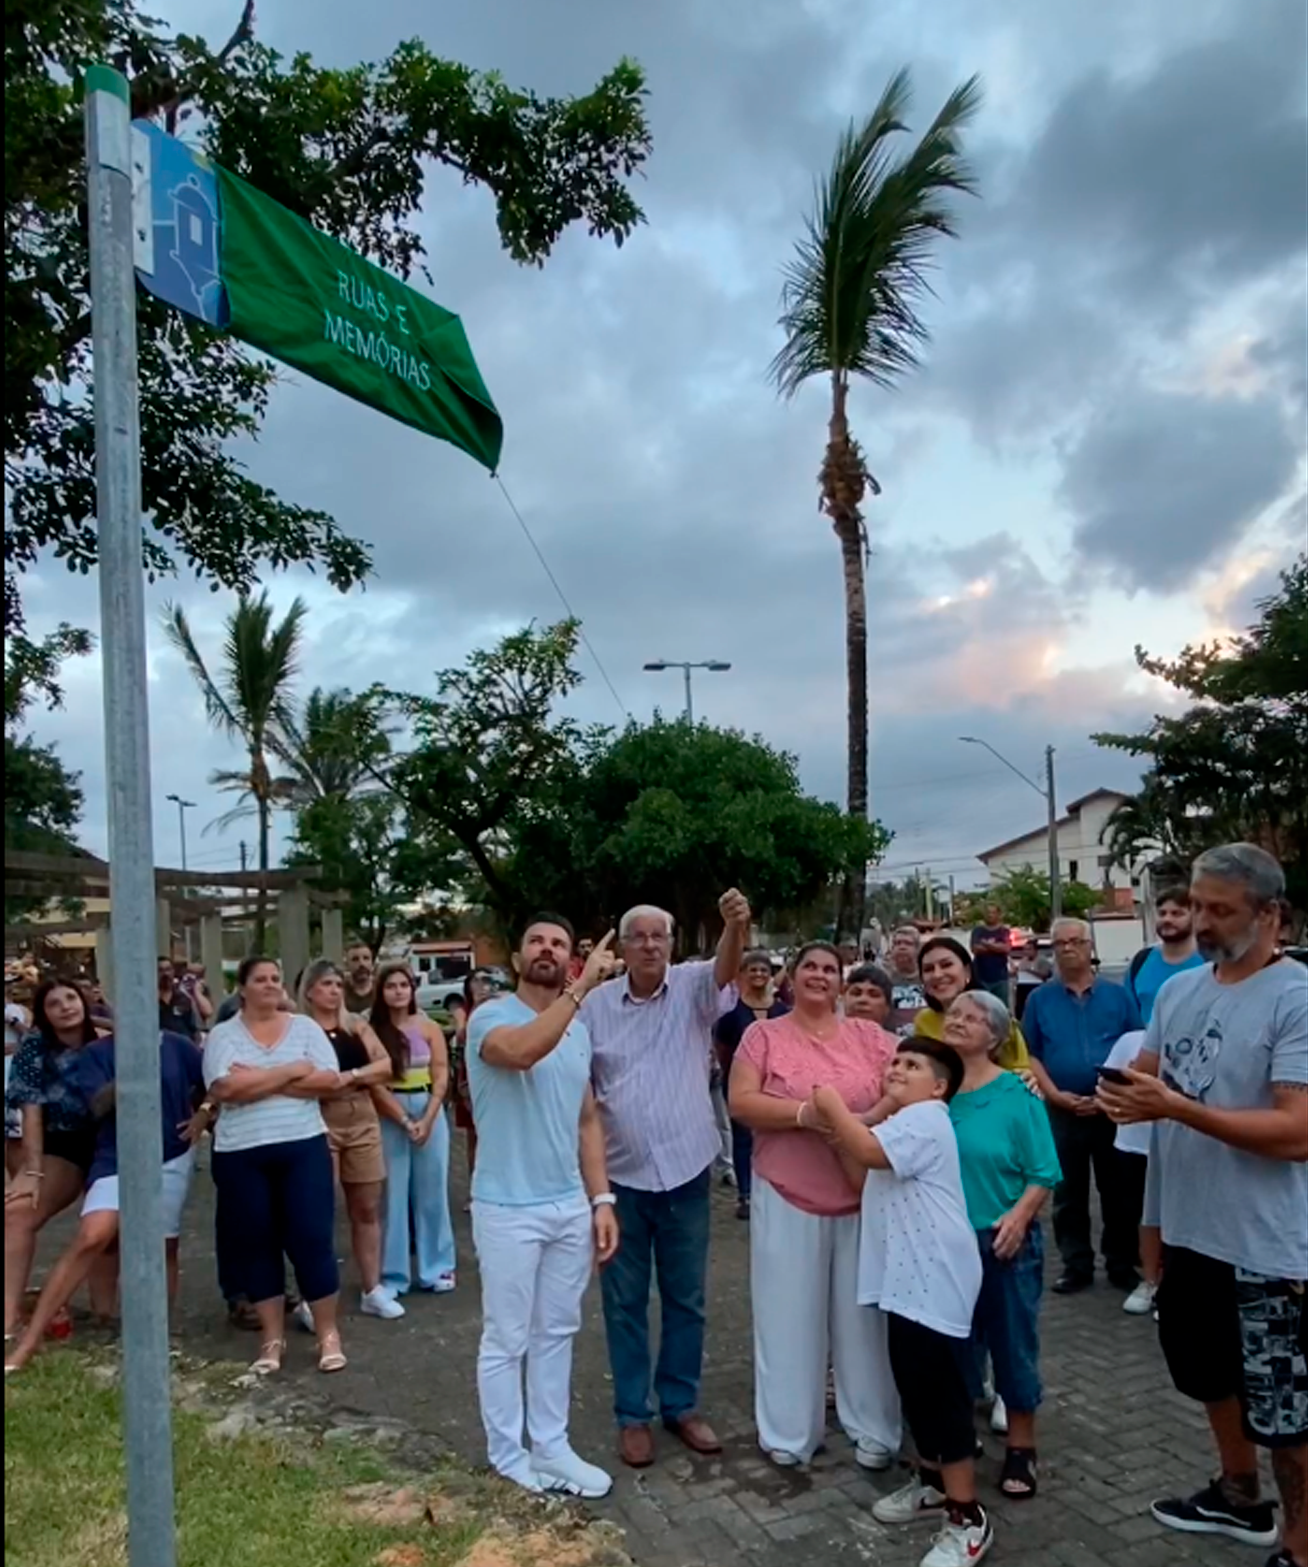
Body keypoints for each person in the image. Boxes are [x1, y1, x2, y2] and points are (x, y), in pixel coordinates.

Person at [1099, 843, 1308, 1567]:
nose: (1205, 922)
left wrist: (1175, 1107)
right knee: (1207, 1373)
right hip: (1190, 1229)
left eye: (1222, 909)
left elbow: (1296, 1134)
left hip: (1268, 1242)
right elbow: (1147, 1088)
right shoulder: (1179, 992)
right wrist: (1118, 1097)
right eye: (1198, 904)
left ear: (1271, 914)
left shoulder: (1296, 996)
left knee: (1285, 1408)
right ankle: (1239, 1493)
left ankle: (1301, 1543)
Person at [581, 889, 751, 1467]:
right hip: (621, 1180)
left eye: (660, 935)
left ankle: (680, 1404)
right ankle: (633, 1413)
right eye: (639, 936)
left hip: (685, 1171)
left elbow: (728, 966)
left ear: (672, 944)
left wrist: (734, 925)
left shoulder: (695, 988)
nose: (650, 944)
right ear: (622, 946)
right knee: (623, 1301)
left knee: (687, 1298)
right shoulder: (594, 1005)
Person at [813, 1039, 992, 1567]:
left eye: (912, 1066)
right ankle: (932, 1483)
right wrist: (842, 1132)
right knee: (915, 1392)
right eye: (894, 1061)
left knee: (943, 1399)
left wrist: (831, 1108)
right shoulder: (899, 1127)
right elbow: (861, 1173)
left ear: (938, 1087)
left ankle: (967, 1517)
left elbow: (865, 1151)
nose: (897, 1069)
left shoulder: (929, 1119)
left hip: (934, 1281)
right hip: (906, 1283)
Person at [729, 942, 899, 1471]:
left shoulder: (870, 1037)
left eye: (830, 969)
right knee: (787, 1315)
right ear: (790, 976)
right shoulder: (763, 1036)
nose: (820, 976)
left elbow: (914, 1082)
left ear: (841, 981)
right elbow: (741, 1102)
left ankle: (873, 1428)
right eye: (810, 967)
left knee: (864, 1321)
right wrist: (806, 1115)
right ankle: (788, 1432)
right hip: (787, 1192)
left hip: (861, 1194)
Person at [466, 916, 621, 1497]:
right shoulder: (491, 1016)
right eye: (537, 941)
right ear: (516, 958)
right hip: (507, 1207)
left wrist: (600, 1198)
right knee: (507, 1338)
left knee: (557, 1330)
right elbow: (522, 1053)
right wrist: (581, 990)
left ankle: (551, 1449)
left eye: (559, 943)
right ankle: (508, 1459)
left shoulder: (577, 1030)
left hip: (566, 1206)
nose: (548, 950)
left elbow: (586, 1119)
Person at [5, 1027, 207, 1373]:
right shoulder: (98, 1052)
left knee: (164, 1246)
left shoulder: (177, 1045)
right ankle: (29, 1339)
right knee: (92, 1236)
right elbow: (95, 1105)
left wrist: (205, 1112)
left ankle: (156, 1336)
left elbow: (207, 1083)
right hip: (117, 1156)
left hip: (171, 1154)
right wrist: (130, 1076)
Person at [940, 991, 1061, 1500]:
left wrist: (1019, 1214)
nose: (959, 1022)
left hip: (1003, 1239)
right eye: (954, 1014)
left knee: (1013, 1346)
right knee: (955, 1350)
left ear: (994, 1035)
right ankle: (957, 1441)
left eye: (972, 1017)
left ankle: (1021, 1446)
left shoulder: (1017, 1092)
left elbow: (1044, 1169)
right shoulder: (932, 1092)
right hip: (946, 1243)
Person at [204, 956, 347, 1375]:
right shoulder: (222, 1034)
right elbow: (225, 1088)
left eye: (275, 979)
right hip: (240, 1154)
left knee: (311, 1239)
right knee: (256, 1243)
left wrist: (258, 1079)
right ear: (242, 988)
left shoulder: (305, 1028)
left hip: (302, 1147)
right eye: (260, 979)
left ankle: (328, 1335)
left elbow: (329, 1080)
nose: (269, 985)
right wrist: (291, 1070)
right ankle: (271, 1339)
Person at [1022, 918, 1144, 1295]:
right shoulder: (1039, 1000)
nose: (1068, 948)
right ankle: (1076, 1265)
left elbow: (1137, 1046)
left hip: (1110, 1107)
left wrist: (1109, 1094)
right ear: (1053, 951)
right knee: (1068, 1194)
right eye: (1060, 944)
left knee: (1118, 1192)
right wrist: (1054, 1094)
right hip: (1062, 1110)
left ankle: (1122, 1263)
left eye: (1076, 941)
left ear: (1090, 946)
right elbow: (1032, 1054)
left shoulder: (1118, 996)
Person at [4, 979, 112, 1336]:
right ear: (43, 1014)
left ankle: (104, 1316)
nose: (65, 1006)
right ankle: (8, 1319)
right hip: (62, 1142)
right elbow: (30, 1108)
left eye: (71, 998)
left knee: (102, 1227)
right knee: (17, 1213)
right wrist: (32, 1170)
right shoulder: (35, 1046)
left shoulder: (104, 1042)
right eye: (54, 1003)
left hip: (109, 1141)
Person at [298, 960, 400, 1321]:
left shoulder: (355, 1025)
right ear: (309, 990)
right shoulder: (300, 1030)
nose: (334, 990)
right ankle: (314, 1294)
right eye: (326, 984)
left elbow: (385, 1065)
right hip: (319, 1118)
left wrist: (348, 1076)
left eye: (338, 985)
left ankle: (372, 1288)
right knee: (318, 1210)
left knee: (367, 1207)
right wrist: (334, 1082)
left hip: (361, 1116)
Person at [369, 965, 456, 1297]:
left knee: (432, 1191)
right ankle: (393, 1273)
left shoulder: (429, 1027)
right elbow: (375, 1085)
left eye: (403, 984)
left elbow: (441, 1073)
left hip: (427, 1108)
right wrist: (403, 1120)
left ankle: (438, 1266)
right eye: (390, 985)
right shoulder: (373, 1030)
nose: (398, 991)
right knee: (393, 1194)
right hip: (390, 1111)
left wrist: (430, 1116)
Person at [713, 950, 788, 1220]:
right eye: (752, 970)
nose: (758, 975)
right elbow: (722, 1046)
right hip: (739, 1082)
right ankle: (745, 1194)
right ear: (743, 974)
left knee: (774, 1138)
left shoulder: (781, 1010)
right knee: (743, 1139)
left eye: (763, 971)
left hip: (776, 1085)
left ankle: (775, 1189)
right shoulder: (732, 1011)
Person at [913, 937, 1030, 1070]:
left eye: (946, 965)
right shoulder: (923, 1021)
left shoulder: (995, 1014)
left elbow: (1020, 1070)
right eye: (928, 969)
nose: (937, 975)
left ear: (967, 970)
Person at [1126, 885, 1205, 1025]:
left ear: (1196, 917)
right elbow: (1129, 1017)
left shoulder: (1212, 962)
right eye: (1162, 913)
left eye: (1177, 914)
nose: (1167, 919)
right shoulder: (1140, 963)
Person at [451, 969, 497, 1186]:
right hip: (469, 1079)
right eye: (475, 981)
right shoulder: (464, 1012)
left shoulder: (500, 1009)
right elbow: (461, 1039)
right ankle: (474, 1187)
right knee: (473, 1137)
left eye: (485, 980)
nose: (481, 985)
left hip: (497, 1078)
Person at [885, 926, 927, 1033]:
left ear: (918, 949)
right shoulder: (884, 979)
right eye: (897, 943)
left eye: (908, 944)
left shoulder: (929, 977)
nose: (902, 947)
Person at [970, 905, 1012, 1004]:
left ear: (998, 915)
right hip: (980, 978)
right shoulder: (977, 931)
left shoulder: (1004, 931)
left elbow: (1006, 948)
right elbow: (975, 949)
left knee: (1001, 1007)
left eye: (993, 912)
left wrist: (986, 944)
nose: (990, 915)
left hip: (1000, 978)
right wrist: (996, 946)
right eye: (988, 912)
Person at [157, 957, 200, 1042]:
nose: (165, 974)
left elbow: (193, 1029)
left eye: (168, 969)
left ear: (173, 972)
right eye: (160, 970)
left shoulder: (183, 999)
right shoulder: (149, 1002)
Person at [1011, 940, 1050, 1023]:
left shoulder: (1042, 960)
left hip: (1035, 985)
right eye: (1025, 949)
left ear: (1035, 950)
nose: (1027, 952)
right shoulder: (1023, 960)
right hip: (1022, 985)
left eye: (1029, 949)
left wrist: (1029, 971)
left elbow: (1045, 975)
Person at [343, 942, 376, 1015]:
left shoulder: (382, 988)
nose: (362, 963)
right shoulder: (340, 990)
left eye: (366, 958)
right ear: (347, 965)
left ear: (372, 962)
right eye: (355, 959)